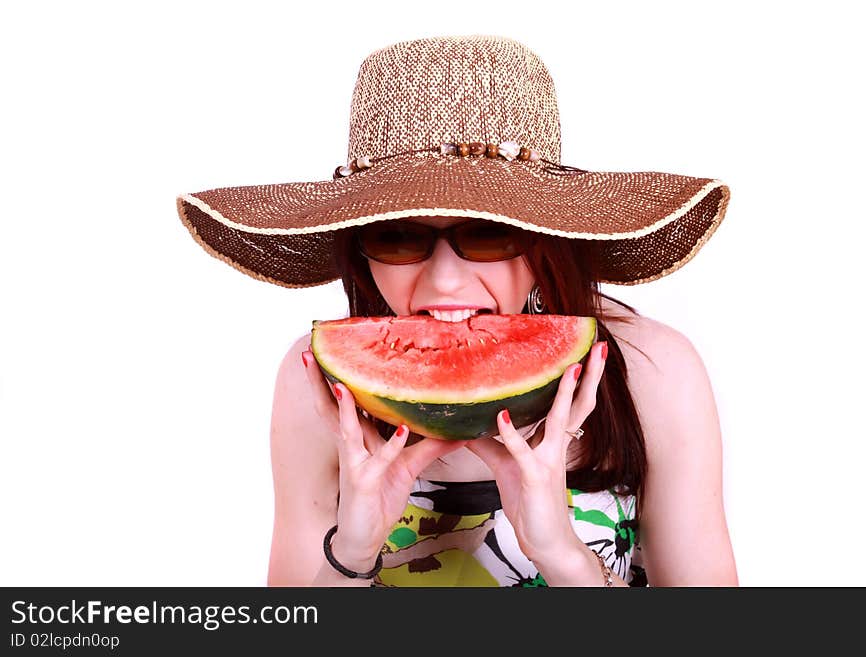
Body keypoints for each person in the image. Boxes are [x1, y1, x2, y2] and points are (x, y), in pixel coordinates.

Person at [176, 35, 738, 587]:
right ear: (358, 246)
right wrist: (352, 551)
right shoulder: (320, 385)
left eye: (488, 233)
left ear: (545, 238)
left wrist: (562, 556)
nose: (444, 279)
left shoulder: (651, 372)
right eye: (397, 236)